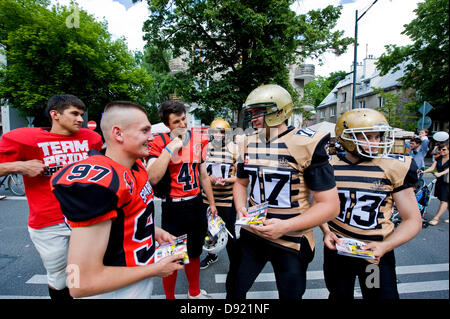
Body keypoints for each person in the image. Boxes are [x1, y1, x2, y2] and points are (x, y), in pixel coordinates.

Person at [51, 101, 184, 298]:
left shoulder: (136, 166)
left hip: (134, 281)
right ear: (118, 133)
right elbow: (80, 283)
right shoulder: (100, 182)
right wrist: (154, 269)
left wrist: (151, 231)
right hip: (113, 291)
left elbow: (123, 217)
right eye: (145, 130)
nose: (152, 136)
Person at [227, 84, 340, 299]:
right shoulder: (248, 142)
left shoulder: (307, 142)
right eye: (251, 112)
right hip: (254, 233)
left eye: (258, 111)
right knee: (234, 290)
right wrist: (241, 207)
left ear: (280, 111)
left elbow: (330, 205)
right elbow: (241, 183)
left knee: (290, 296)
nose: (253, 117)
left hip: (292, 238)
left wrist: (285, 226)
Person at [0, 94, 103, 300]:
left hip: (84, 218)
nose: (80, 119)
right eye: (74, 113)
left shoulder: (91, 138)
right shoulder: (25, 139)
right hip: (48, 222)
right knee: (57, 277)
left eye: (81, 114)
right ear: (54, 114)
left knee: (80, 272)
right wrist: (20, 165)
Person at [320, 108, 423, 300]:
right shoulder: (328, 165)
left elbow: (412, 220)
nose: (375, 143)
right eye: (368, 136)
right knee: (339, 295)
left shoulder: (393, 166)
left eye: (378, 137)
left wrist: (386, 245)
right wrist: (327, 231)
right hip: (338, 251)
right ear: (347, 138)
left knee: (376, 296)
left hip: (373, 256)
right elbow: (319, 206)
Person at [146, 100, 218, 299]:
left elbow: (203, 175)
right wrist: (170, 148)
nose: (183, 124)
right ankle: (170, 297)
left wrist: (211, 202)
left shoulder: (198, 138)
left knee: (194, 252)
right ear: (167, 125)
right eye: (177, 121)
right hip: (174, 207)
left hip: (195, 202)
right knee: (172, 254)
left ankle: (194, 292)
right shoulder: (159, 141)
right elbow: (152, 177)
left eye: (184, 119)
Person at [200, 118, 238, 274]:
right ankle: (212, 255)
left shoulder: (235, 149)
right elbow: (199, 174)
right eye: (215, 132)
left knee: (228, 231)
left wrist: (227, 179)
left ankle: (236, 263)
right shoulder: (205, 148)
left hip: (227, 198)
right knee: (209, 230)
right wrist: (209, 178)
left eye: (222, 132)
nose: (218, 135)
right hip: (207, 197)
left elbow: (242, 177)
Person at [421, 143, 449, 226]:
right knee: (444, 200)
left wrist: (440, 174)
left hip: (447, 182)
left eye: (444, 149)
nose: (441, 151)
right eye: (440, 149)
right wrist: (424, 171)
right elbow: (432, 168)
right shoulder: (438, 158)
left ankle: (436, 218)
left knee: (444, 200)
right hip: (440, 181)